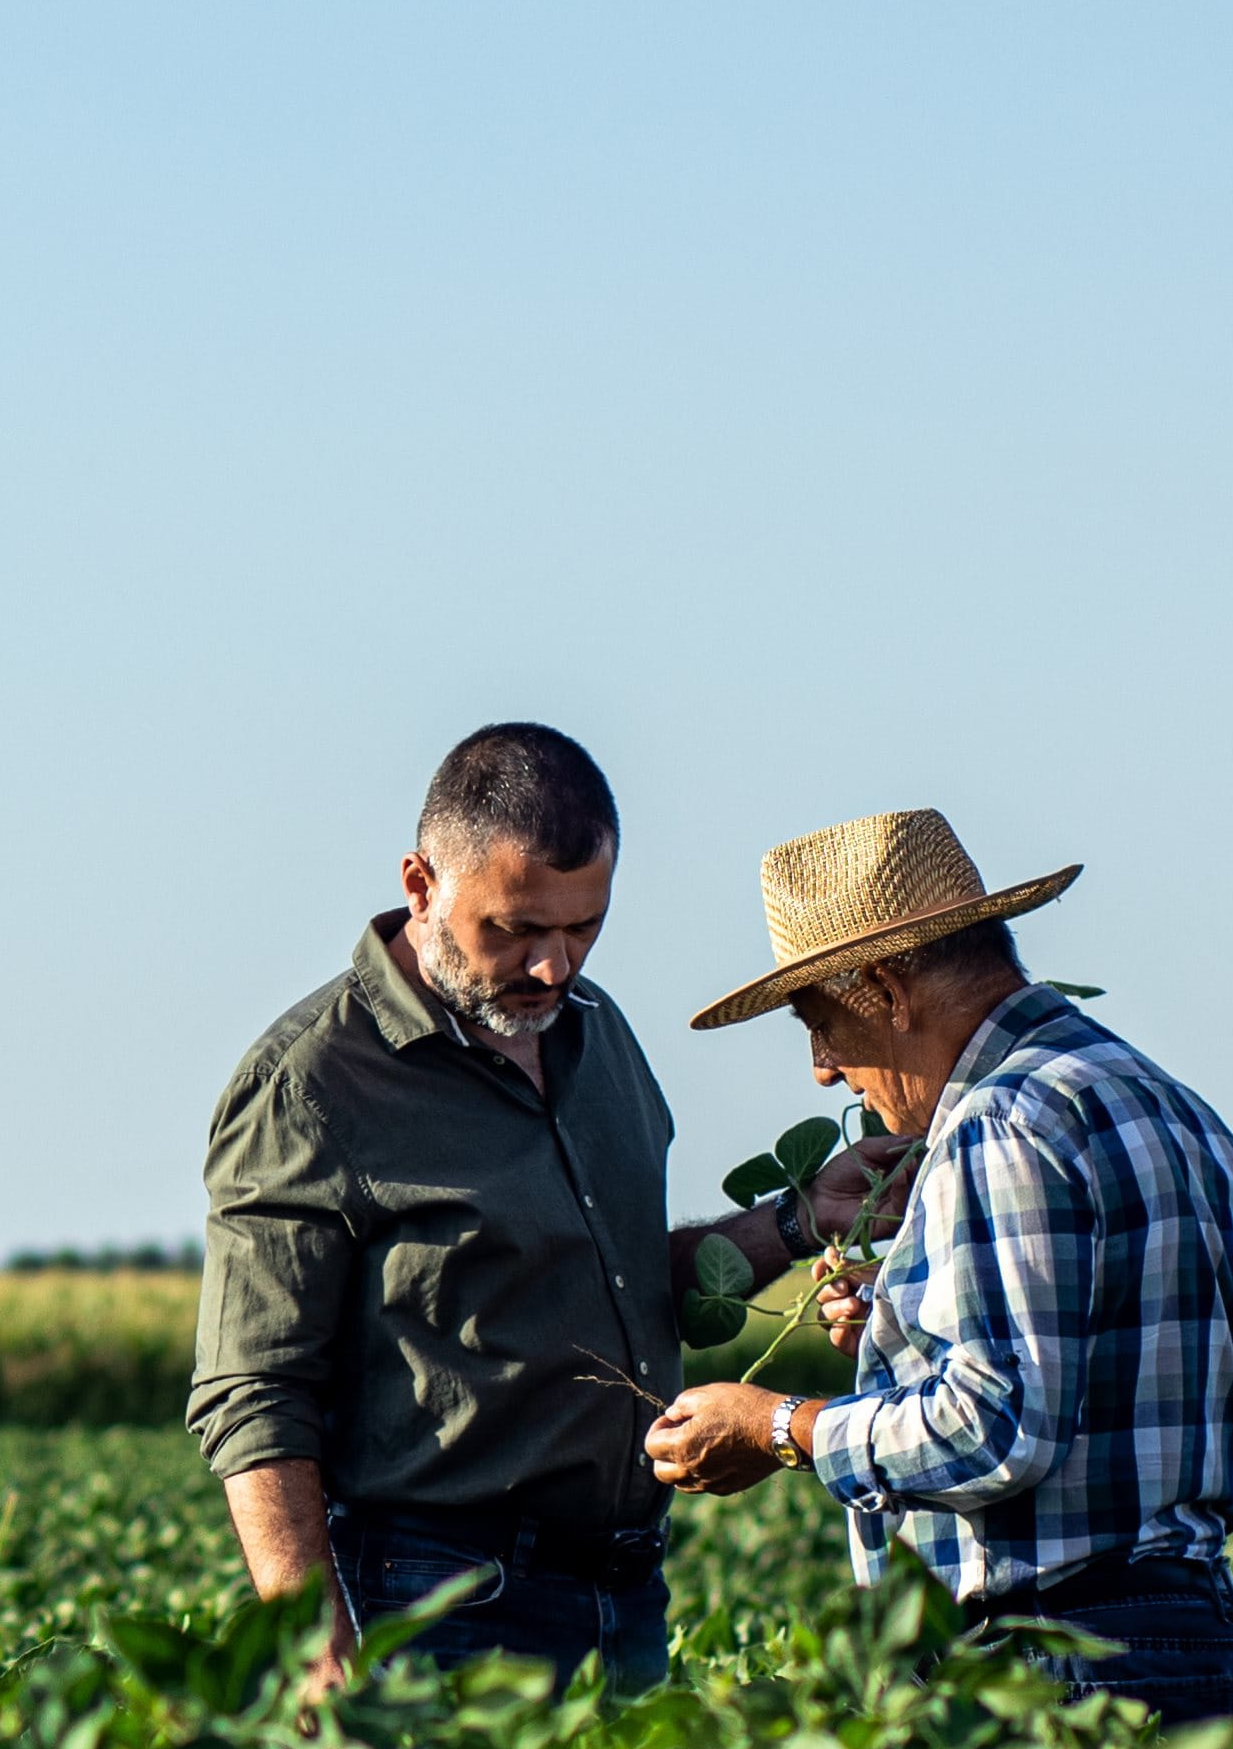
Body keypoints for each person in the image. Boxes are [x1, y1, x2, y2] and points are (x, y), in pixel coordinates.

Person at [195, 724, 906, 1691]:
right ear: (421, 885)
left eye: (583, 928)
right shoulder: (314, 1083)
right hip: (436, 1601)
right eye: (517, 930)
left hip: (625, 1592)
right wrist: (310, 1639)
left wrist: (794, 1219)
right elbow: (256, 1390)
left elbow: (605, 1274)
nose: (553, 968)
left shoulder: (596, 1037)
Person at [639, 808, 1233, 1721]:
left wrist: (779, 1426)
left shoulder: (1000, 1122)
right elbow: (1101, 1363)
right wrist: (911, 1315)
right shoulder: (1171, 1106)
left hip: (1060, 1658)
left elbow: (996, 1425)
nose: (824, 1070)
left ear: (889, 989)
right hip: (1200, 1643)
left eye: (820, 1023)